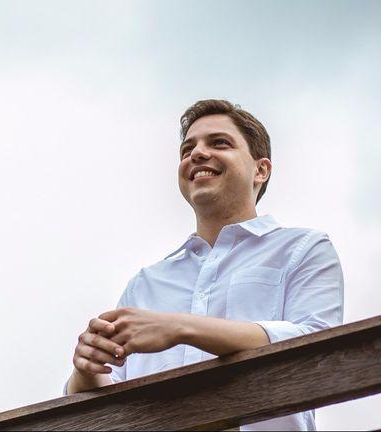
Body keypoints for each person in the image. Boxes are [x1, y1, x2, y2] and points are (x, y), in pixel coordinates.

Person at [65, 99, 344, 431]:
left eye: (219, 143)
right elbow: (106, 402)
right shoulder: (145, 283)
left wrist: (181, 328)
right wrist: (86, 371)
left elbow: (320, 345)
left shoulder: (304, 249)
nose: (196, 154)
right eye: (187, 150)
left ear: (261, 170)